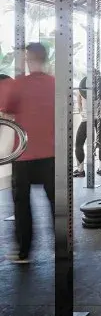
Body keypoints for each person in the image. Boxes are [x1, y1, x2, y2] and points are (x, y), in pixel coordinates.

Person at [0, 43, 55, 264]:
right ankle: (63, 246)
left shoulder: (19, 85)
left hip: (24, 155)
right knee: (57, 203)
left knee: (22, 205)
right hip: (52, 155)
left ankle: (24, 251)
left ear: (29, 58)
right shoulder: (55, 84)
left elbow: (7, 110)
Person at [73, 72, 101, 177]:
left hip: (88, 119)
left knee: (79, 144)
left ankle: (80, 170)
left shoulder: (81, 88)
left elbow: (79, 105)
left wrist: (83, 113)